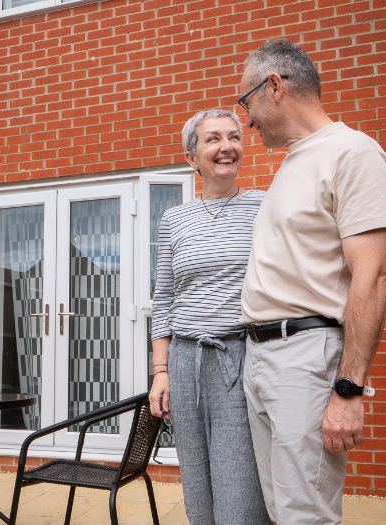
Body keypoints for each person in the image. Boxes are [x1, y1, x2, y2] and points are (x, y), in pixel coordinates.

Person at [237, 38, 386, 525]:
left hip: (304, 356)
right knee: (280, 509)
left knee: (303, 514)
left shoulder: (352, 154)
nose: (246, 121)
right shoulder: (293, 161)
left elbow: (372, 276)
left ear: (275, 86)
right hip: (261, 357)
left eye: (246, 103)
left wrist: (349, 390)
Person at [148, 109, 271, 525]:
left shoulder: (264, 206)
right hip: (184, 360)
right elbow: (163, 296)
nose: (226, 147)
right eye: (213, 139)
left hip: (238, 356)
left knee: (239, 485)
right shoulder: (174, 220)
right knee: (197, 485)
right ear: (191, 158)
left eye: (234, 137)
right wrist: (160, 371)